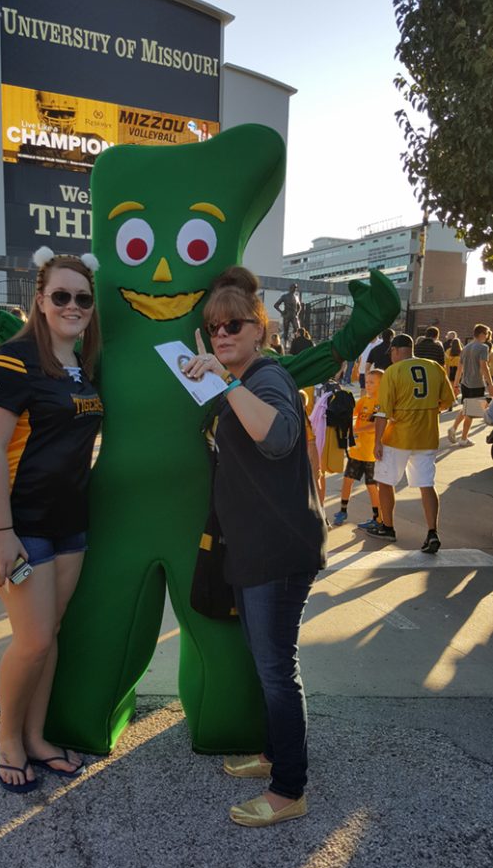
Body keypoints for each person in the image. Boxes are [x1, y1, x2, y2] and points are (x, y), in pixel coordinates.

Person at [183, 266, 326, 828]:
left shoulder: (264, 379)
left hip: (278, 550)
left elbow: (280, 437)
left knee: (275, 669)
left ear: (259, 329)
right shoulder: (237, 381)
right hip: (255, 546)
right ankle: (273, 755)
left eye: (234, 325)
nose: (222, 336)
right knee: (267, 663)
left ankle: (290, 789)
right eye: (214, 328)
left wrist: (227, 382)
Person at [0, 247, 103, 792]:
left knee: (50, 637)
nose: (74, 305)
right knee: (33, 639)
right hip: (16, 524)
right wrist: (1, 533)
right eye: (62, 296)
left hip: (69, 520)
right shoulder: (13, 359)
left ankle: (38, 736)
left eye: (83, 298)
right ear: (41, 301)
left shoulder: (81, 366)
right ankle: (7, 739)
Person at [367, 333, 454, 553]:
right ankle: (432, 531)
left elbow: (383, 412)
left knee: (386, 480)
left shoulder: (393, 371)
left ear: (396, 351)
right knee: (426, 484)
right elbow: (448, 401)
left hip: (399, 435)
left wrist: (377, 441)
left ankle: (388, 526)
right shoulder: (435, 367)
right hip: (427, 434)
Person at [333, 369, 382, 529]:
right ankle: (343, 511)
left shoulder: (380, 403)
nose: (367, 385)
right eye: (366, 382)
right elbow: (351, 411)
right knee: (347, 481)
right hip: (356, 451)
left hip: (371, 453)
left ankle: (377, 516)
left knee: (371, 486)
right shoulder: (364, 400)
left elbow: (375, 425)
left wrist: (354, 431)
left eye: (372, 382)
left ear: (381, 384)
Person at [448, 324, 493, 446]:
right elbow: (484, 367)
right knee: (471, 413)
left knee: (467, 408)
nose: (488, 337)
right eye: (487, 334)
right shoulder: (483, 347)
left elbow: (459, 369)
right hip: (477, 383)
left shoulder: (466, 348)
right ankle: (463, 438)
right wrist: (490, 384)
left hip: (465, 383)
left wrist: (456, 385)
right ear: (482, 334)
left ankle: (453, 428)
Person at [273, 282, 302, 351]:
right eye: (293, 288)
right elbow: (276, 305)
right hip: (287, 315)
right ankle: (285, 345)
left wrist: (297, 313)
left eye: (296, 288)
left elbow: (300, 307)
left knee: (297, 329)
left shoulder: (296, 297)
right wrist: (282, 312)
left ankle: (296, 343)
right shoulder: (284, 296)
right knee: (286, 330)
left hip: (294, 315)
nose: (295, 289)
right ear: (290, 288)